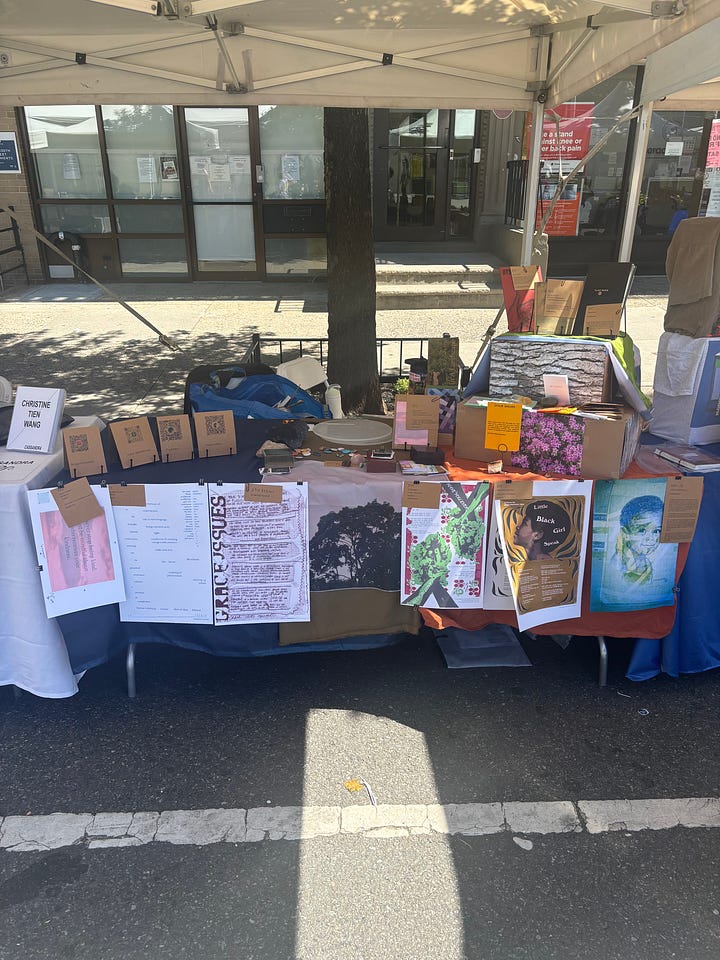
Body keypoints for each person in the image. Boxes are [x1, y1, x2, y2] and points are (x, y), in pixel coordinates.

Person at [614, 495, 664, 583]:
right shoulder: (619, 566)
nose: (651, 538)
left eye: (656, 531)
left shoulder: (644, 562)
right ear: (625, 533)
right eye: (641, 530)